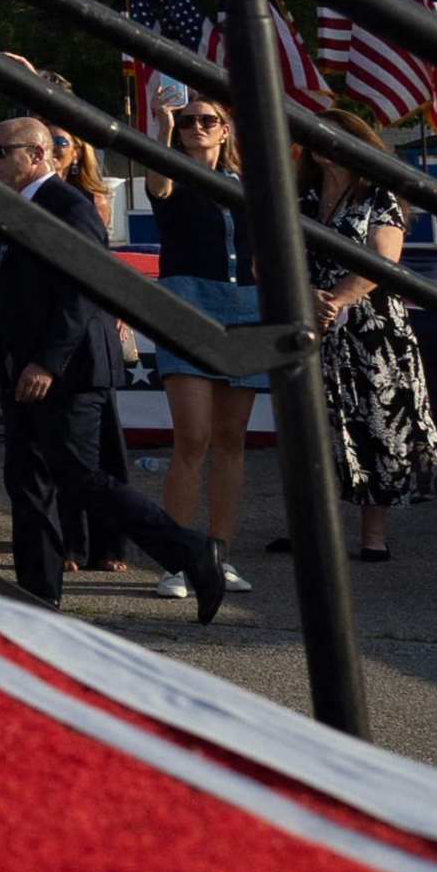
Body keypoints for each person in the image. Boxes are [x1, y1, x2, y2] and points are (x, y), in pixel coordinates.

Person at [0, 117, 227, 620]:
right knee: (26, 484)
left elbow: (84, 289)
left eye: (1, 152)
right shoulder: (14, 207)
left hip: (66, 372)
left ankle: (191, 552)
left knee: (81, 478)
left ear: (38, 154)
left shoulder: (69, 207)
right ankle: (37, 596)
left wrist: (48, 361)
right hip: (19, 367)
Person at [290, 122, 437, 558]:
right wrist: (307, 297)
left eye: (333, 137)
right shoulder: (297, 198)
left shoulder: (377, 198)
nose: (322, 146)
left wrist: (335, 301)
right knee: (309, 429)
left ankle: (373, 536)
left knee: (378, 426)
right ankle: (309, 529)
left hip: (371, 328)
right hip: (306, 322)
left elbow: (384, 261)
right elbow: (265, 258)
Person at [142, 104, 264, 591]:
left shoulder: (249, 183)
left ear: (226, 127)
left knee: (232, 438)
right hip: (187, 305)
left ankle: (219, 556)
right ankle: (178, 561)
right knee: (192, 436)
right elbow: (160, 183)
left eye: (207, 120)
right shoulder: (169, 174)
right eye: (187, 120)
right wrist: (162, 128)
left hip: (247, 307)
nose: (196, 128)